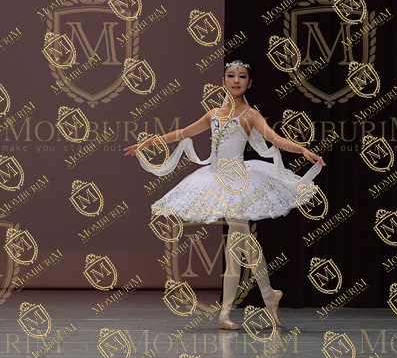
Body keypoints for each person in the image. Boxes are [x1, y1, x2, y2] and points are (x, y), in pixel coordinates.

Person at [124, 60, 326, 330]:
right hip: (215, 179)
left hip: (240, 183)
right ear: (223, 81)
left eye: (242, 76)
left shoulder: (250, 115)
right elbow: (182, 133)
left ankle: (230, 312)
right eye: (231, 75)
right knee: (240, 245)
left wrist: (302, 149)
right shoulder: (213, 115)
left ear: (249, 83)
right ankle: (265, 296)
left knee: (236, 246)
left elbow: (274, 139)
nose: (236, 80)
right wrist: (149, 142)